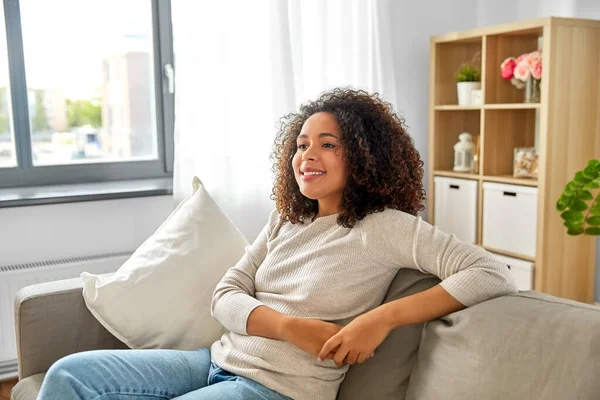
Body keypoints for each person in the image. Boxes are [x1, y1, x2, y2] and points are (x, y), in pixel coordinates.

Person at [37, 88, 518, 400]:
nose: (307, 155)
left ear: (365, 156)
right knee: (68, 376)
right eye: (302, 144)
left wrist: (381, 317)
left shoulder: (385, 226)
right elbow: (224, 297)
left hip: (279, 390)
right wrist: (289, 327)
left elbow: (491, 273)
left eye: (328, 144)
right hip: (216, 361)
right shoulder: (286, 220)